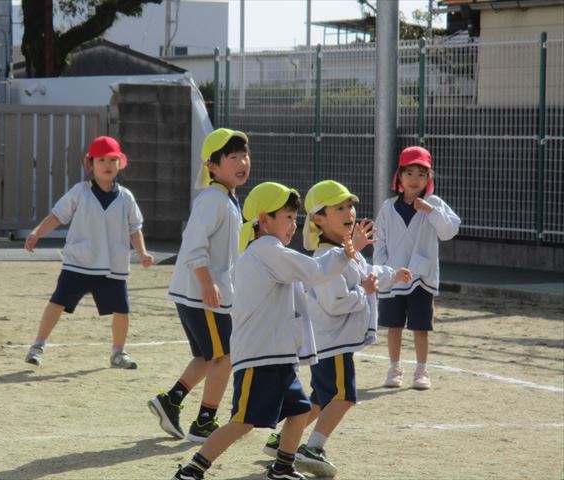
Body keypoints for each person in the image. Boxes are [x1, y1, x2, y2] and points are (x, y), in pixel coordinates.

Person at [172, 182, 358, 480]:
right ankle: (192, 469)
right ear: (264, 219)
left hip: (277, 356)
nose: (293, 225)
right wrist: (347, 253)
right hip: (261, 357)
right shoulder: (266, 249)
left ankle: (282, 467)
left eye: (295, 218)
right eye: (287, 217)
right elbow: (314, 270)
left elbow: (307, 273)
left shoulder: (269, 251)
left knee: (299, 410)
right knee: (242, 422)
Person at [262, 180, 412, 477]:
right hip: (334, 343)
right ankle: (313, 448)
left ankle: (281, 441)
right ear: (318, 219)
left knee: (321, 399)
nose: (349, 213)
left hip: (330, 342)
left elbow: (368, 273)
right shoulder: (326, 257)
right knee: (344, 397)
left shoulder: (346, 252)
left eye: (350, 206)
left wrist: (392, 274)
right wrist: (365, 292)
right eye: (339, 208)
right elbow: (336, 302)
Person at [148, 128, 251, 443]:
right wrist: (207, 284)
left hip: (201, 294)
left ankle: (171, 401)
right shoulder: (213, 199)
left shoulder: (226, 198)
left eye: (245, 156)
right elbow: (194, 245)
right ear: (212, 166)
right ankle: (205, 422)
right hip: (202, 294)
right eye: (233, 157)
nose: (242, 163)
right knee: (225, 356)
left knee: (209, 356)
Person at [23, 135, 154, 369]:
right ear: (90, 164)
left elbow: (135, 228)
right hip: (79, 262)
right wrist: (37, 232)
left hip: (113, 265)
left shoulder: (126, 197)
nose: (107, 165)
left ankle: (118, 352)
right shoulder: (80, 191)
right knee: (57, 302)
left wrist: (142, 253)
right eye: (101, 160)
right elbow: (57, 216)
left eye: (112, 160)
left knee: (122, 310)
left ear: (120, 163)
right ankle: (38, 345)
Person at [374, 146, 460, 390]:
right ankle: (394, 368)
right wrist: (383, 270)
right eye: (409, 173)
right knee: (393, 325)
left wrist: (430, 211)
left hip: (422, 277)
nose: (415, 179)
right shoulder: (388, 207)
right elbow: (379, 240)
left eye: (421, 174)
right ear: (399, 176)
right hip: (393, 277)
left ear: (428, 178)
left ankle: (421, 370)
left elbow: (449, 231)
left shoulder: (434, 203)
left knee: (421, 327)